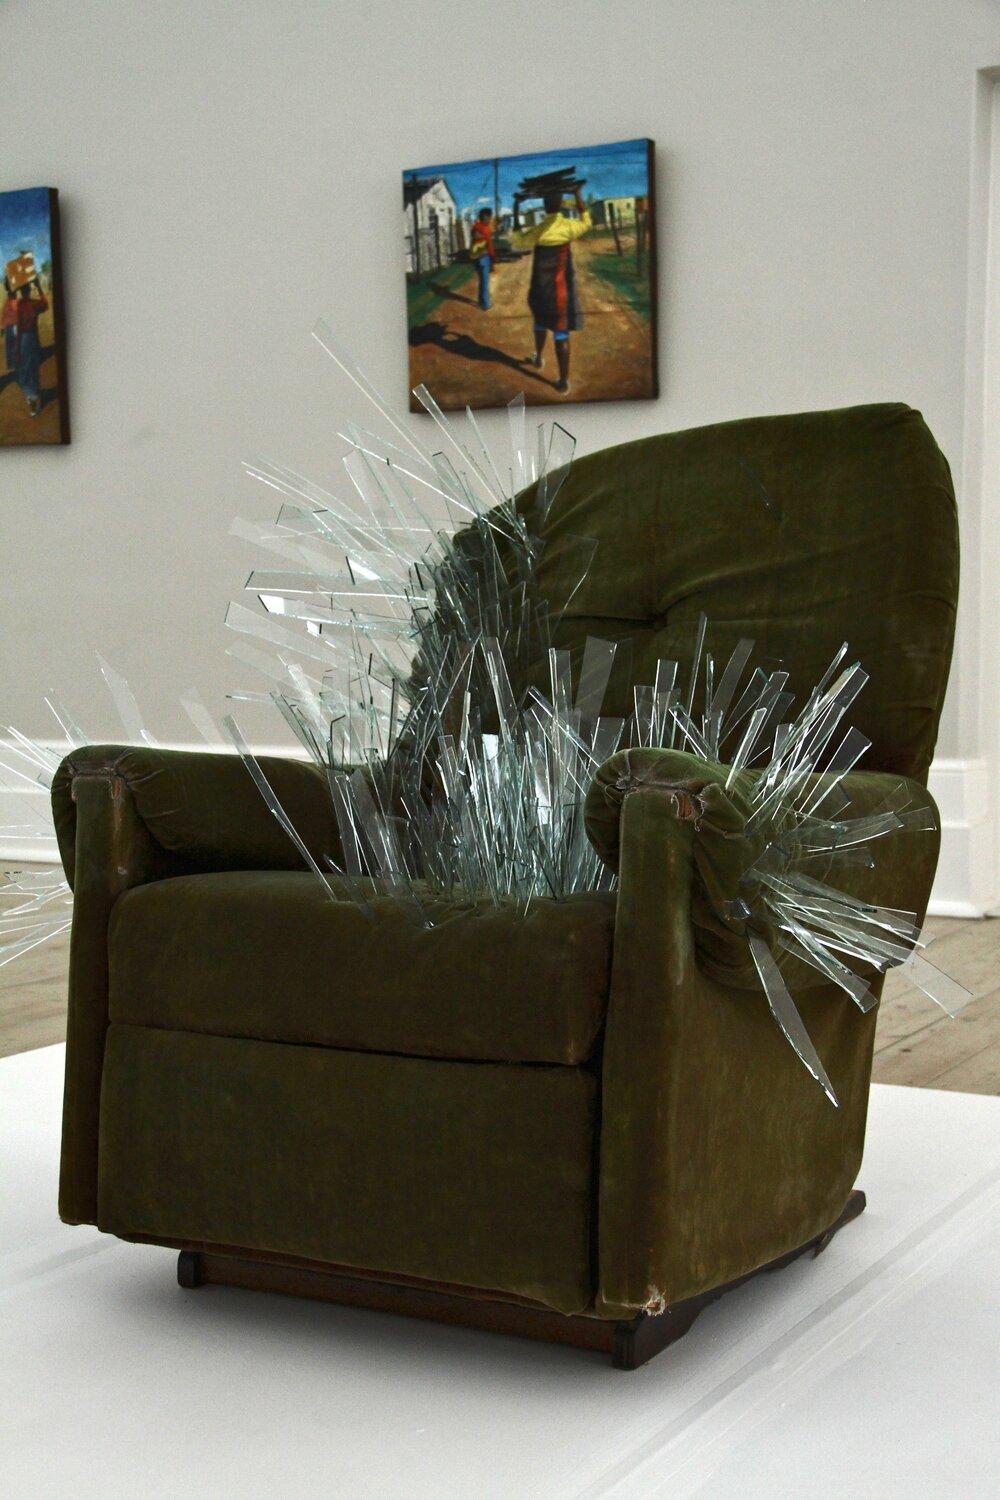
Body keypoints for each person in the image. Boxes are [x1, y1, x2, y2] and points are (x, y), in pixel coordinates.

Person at [511, 185, 591, 394]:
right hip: (560, 292)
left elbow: (517, 240)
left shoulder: (539, 231)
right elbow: (586, 221)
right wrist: (577, 194)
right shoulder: (568, 227)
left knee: (539, 322)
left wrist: (516, 208)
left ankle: (538, 358)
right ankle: (563, 382)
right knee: (561, 332)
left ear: (545, 206)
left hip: (540, 290)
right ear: (561, 203)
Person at [11, 277, 48, 416]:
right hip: (32, 339)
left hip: (25, 340)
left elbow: (19, 328)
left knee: (27, 371)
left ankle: (33, 402)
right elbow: (45, 304)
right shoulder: (34, 304)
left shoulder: (21, 305)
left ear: (21, 291)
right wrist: (39, 287)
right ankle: (34, 401)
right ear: (29, 290)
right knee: (32, 369)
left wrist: (17, 348)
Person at [469, 207, 496, 311]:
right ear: (485, 217)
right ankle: (486, 304)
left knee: (482, 281)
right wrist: (492, 258)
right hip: (483, 258)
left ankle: (481, 301)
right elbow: (489, 245)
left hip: (475, 257)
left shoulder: (475, 227)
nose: (490, 220)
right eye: (489, 217)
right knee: (485, 282)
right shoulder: (485, 229)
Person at [2, 276, 18, 376]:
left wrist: (2, 327)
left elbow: (5, 315)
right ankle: (14, 366)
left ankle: (12, 367)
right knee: (14, 346)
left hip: (10, 326)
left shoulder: (9, 301)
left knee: (11, 346)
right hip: (13, 326)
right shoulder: (13, 301)